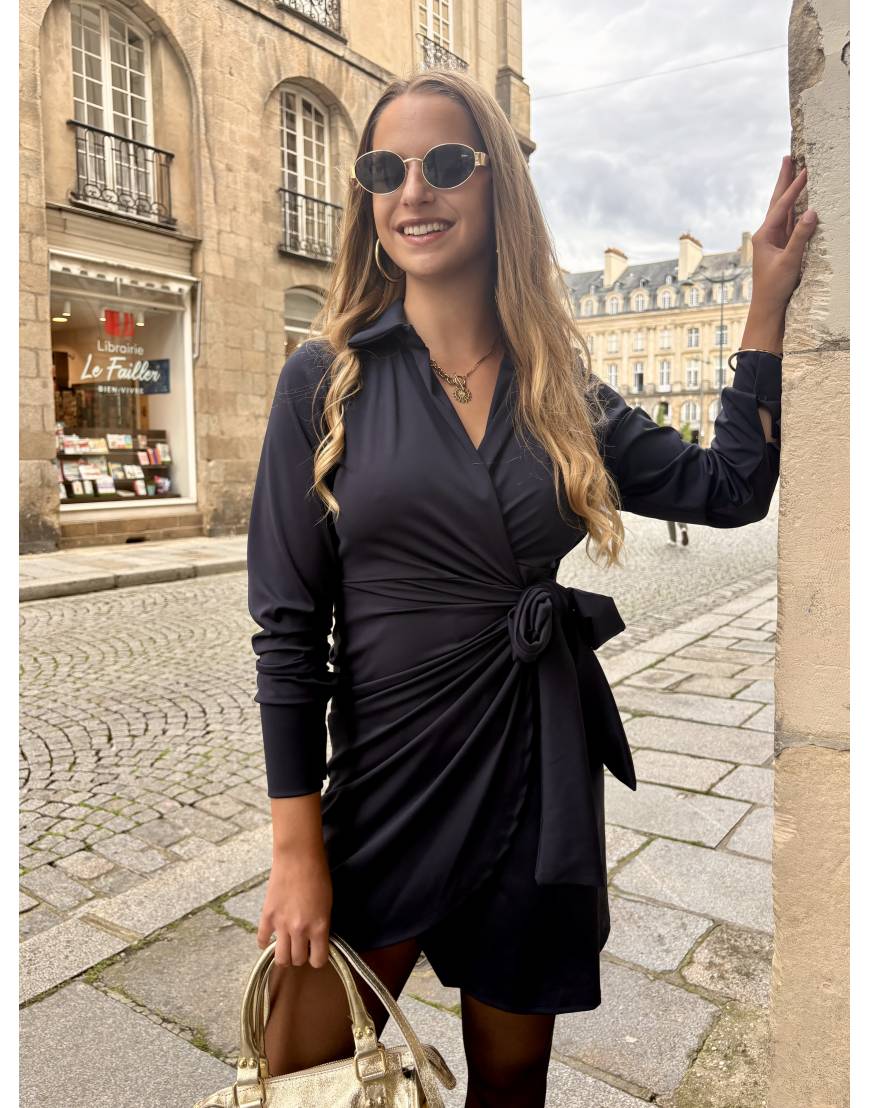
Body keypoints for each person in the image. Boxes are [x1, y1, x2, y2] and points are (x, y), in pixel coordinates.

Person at [246, 68, 815, 1108]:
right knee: (300, 1075)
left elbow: (730, 488)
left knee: (511, 1084)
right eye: (385, 171)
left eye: (445, 162)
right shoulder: (324, 380)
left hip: (531, 776)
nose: (414, 191)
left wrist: (765, 304)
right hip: (386, 785)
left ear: (497, 182)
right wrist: (295, 850)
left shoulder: (561, 391)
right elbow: (288, 633)